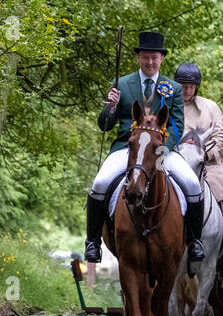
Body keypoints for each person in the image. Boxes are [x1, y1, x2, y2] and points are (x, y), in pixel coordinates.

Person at [85, 31, 205, 266]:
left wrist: (163, 149)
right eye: (145, 57)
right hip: (126, 148)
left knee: (191, 184)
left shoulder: (173, 88)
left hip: (162, 150)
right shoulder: (122, 84)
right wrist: (111, 106)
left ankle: (195, 241)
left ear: (161, 59)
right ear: (139, 58)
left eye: (154, 58)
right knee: (100, 183)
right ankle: (92, 242)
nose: (150, 62)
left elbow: (177, 125)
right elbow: (104, 125)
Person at [175, 62, 223, 258]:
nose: (187, 90)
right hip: (176, 162)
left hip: (209, 162)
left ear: (197, 86)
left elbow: (220, 136)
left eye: (191, 86)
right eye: (183, 86)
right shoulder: (168, 105)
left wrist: (206, 153)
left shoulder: (210, 107)